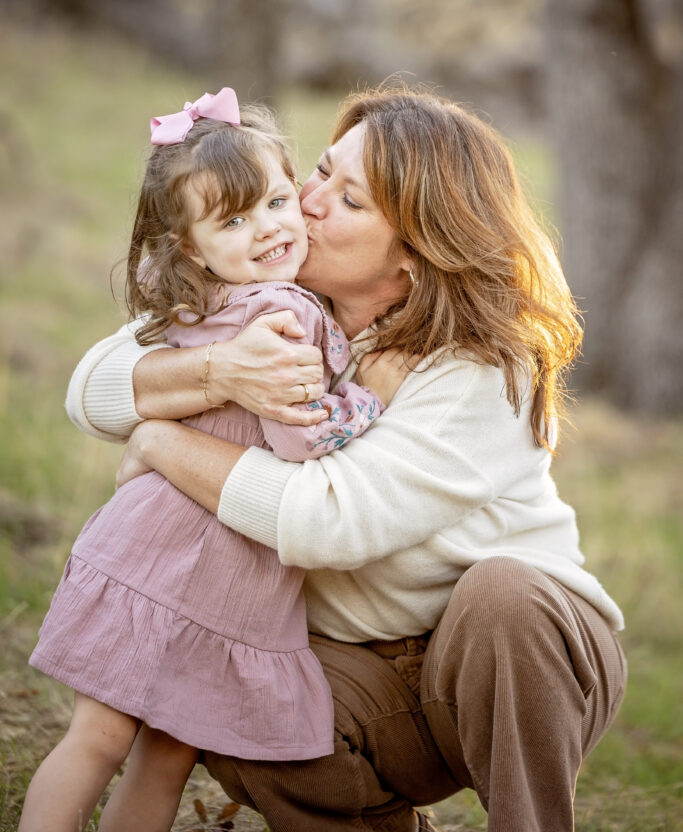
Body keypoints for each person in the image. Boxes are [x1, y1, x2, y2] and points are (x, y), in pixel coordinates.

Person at [64, 86, 627, 832]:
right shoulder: (274, 289)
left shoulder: (483, 366)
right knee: (239, 705)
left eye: (349, 199)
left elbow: (329, 520)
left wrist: (160, 440)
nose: (306, 201)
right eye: (321, 170)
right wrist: (218, 371)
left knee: (502, 596)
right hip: (367, 666)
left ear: (419, 244)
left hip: (516, 661)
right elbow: (92, 388)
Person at [20, 89, 387, 832]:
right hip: (192, 565)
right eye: (234, 220)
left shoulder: (195, 300)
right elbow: (297, 438)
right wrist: (362, 410)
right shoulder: (287, 314)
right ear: (192, 245)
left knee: (107, 740)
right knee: (138, 748)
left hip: (182, 562)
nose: (268, 230)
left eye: (278, 202)